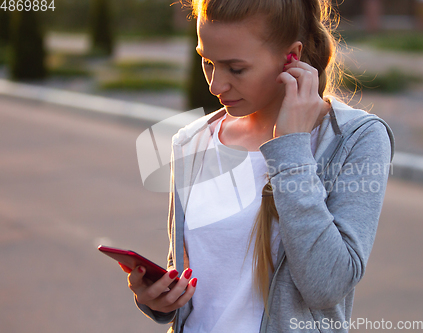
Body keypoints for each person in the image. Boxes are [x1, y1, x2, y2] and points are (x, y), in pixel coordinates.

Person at [120, 0, 395, 332]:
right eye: (207, 62)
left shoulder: (353, 139)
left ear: (291, 56)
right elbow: (196, 273)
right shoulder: (192, 141)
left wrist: (291, 150)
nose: (215, 85)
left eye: (236, 69)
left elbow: (327, 286)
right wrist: (159, 299)